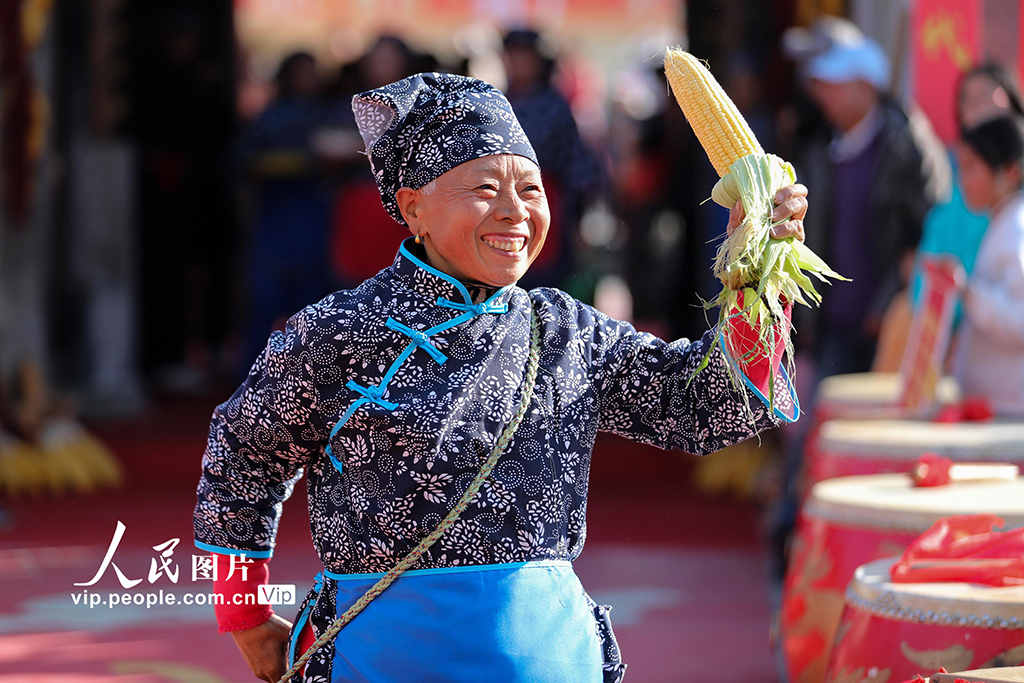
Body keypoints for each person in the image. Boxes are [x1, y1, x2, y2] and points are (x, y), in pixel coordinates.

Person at [193, 73, 806, 683]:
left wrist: (759, 275)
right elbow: (245, 452)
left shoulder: (567, 331)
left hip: (550, 656)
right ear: (413, 208)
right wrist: (242, 611)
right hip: (379, 660)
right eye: (485, 188)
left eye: (532, 189)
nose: (516, 212)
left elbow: (706, 406)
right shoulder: (338, 333)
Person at [795, 28, 949, 377]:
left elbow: (926, 236)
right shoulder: (816, 147)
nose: (821, 94)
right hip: (830, 325)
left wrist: (889, 302)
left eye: (833, 83)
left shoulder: (908, 150)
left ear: (865, 86)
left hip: (888, 326)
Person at [951, 116, 1024, 415]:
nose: (962, 180)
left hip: (1010, 410)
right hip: (996, 405)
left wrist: (967, 291)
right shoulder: (1003, 222)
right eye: (961, 168)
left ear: (1009, 172)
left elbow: (1020, 323)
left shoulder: (1017, 228)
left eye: (971, 168)